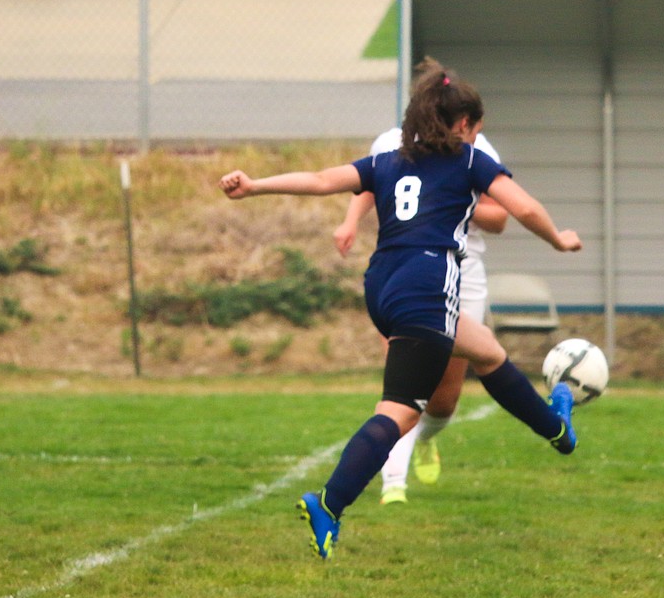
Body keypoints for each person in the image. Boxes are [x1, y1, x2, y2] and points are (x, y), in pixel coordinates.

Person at [219, 59, 583, 559]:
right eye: (476, 128)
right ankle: (331, 501)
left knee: (487, 351)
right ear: (462, 125)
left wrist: (256, 185)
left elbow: (324, 179)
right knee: (401, 411)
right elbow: (522, 208)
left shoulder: (389, 159)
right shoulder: (468, 159)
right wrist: (559, 240)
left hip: (384, 285)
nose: (477, 136)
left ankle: (556, 429)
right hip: (426, 284)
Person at [333, 121, 508, 505]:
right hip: (403, 271)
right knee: (404, 386)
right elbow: (366, 180)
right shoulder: (391, 143)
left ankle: (427, 439)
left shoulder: (478, 152)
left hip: (462, 272)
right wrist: (349, 222)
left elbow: (500, 218)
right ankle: (393, 480)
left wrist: (451, 194)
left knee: (444, 400)